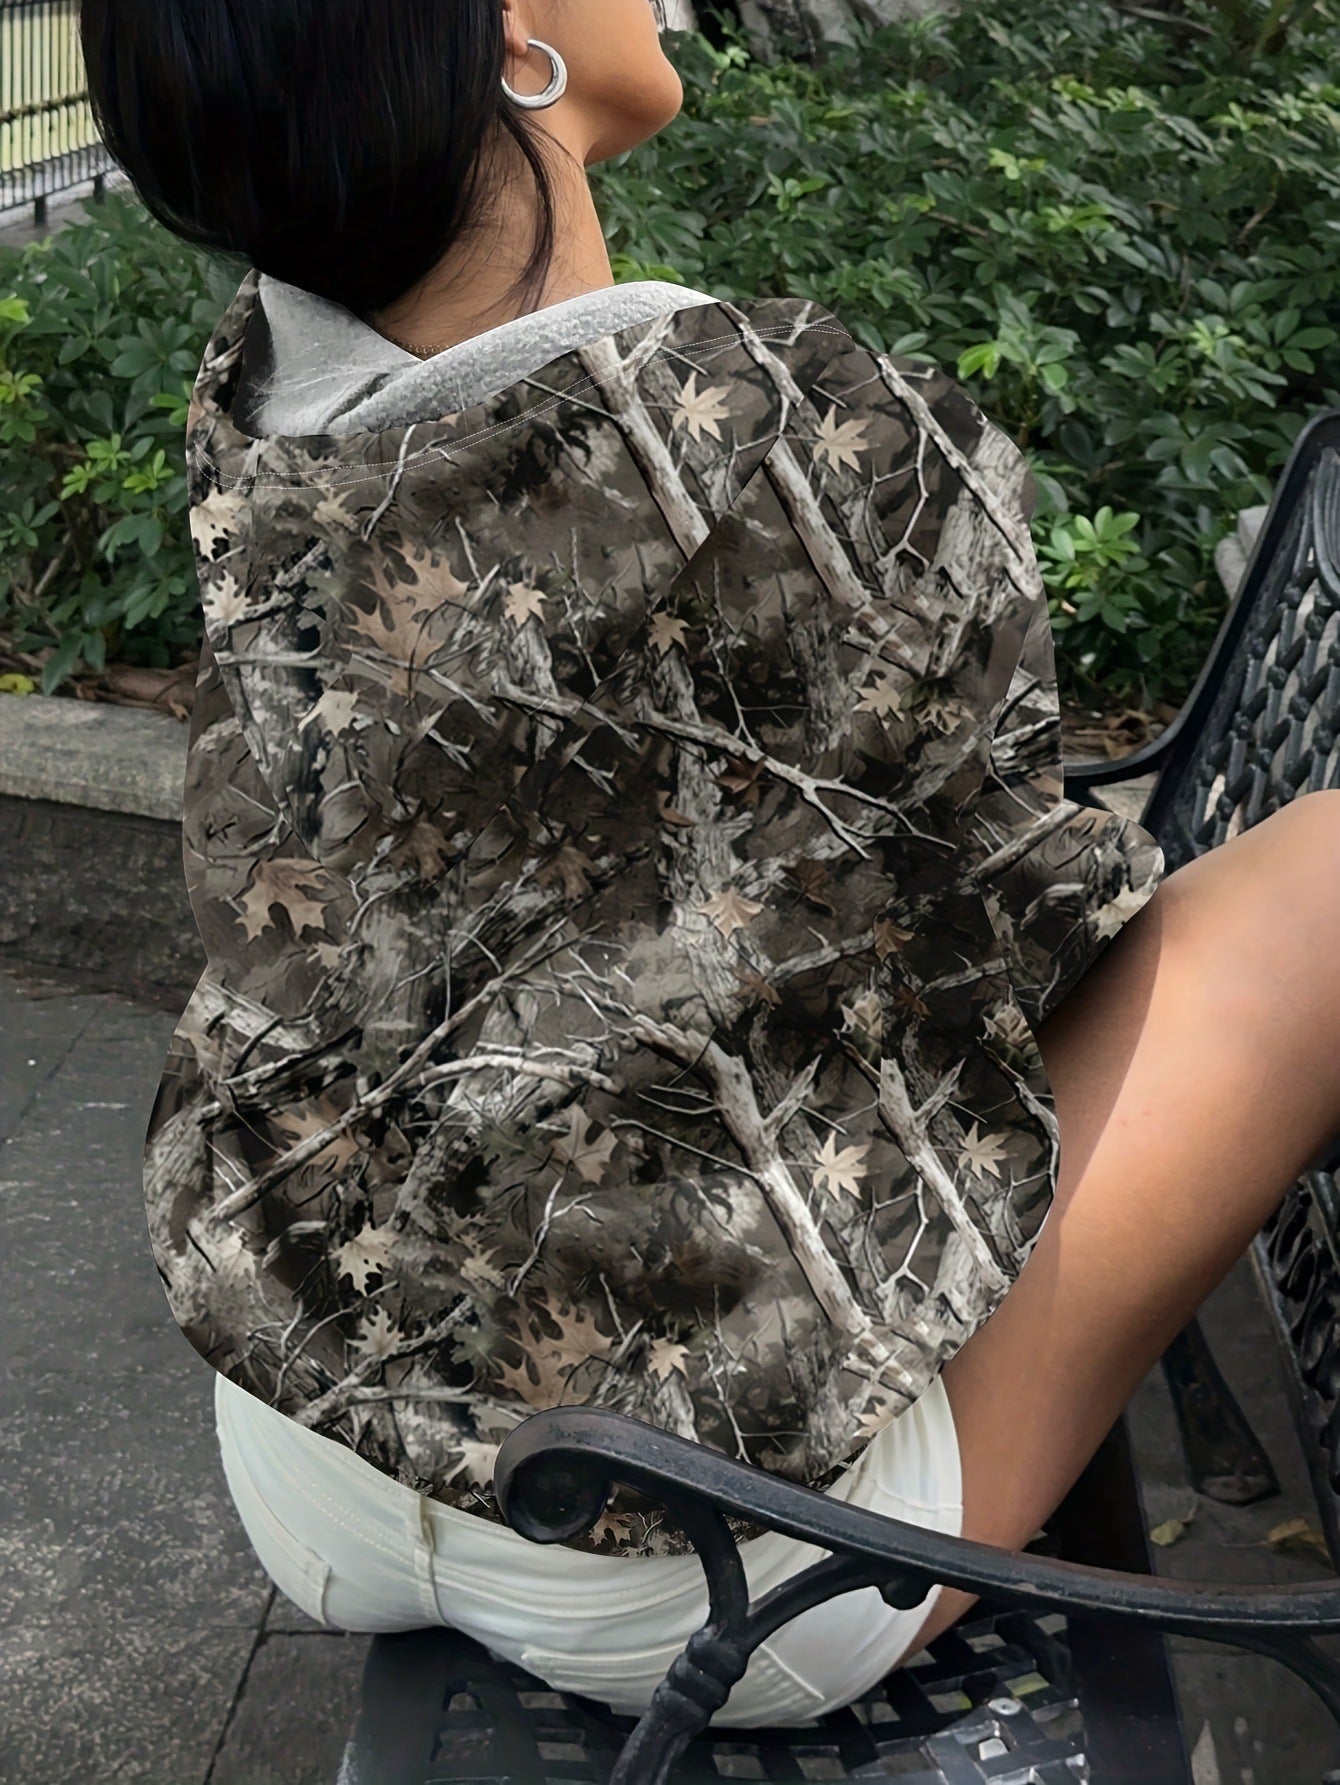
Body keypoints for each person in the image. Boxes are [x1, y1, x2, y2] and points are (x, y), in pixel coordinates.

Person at [81, 0, 1340, 1729]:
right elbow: (1016, 939)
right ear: (511, 30)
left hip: (309, 1438)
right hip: (715, 1558)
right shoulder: (796, 438)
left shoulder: (257, 402)